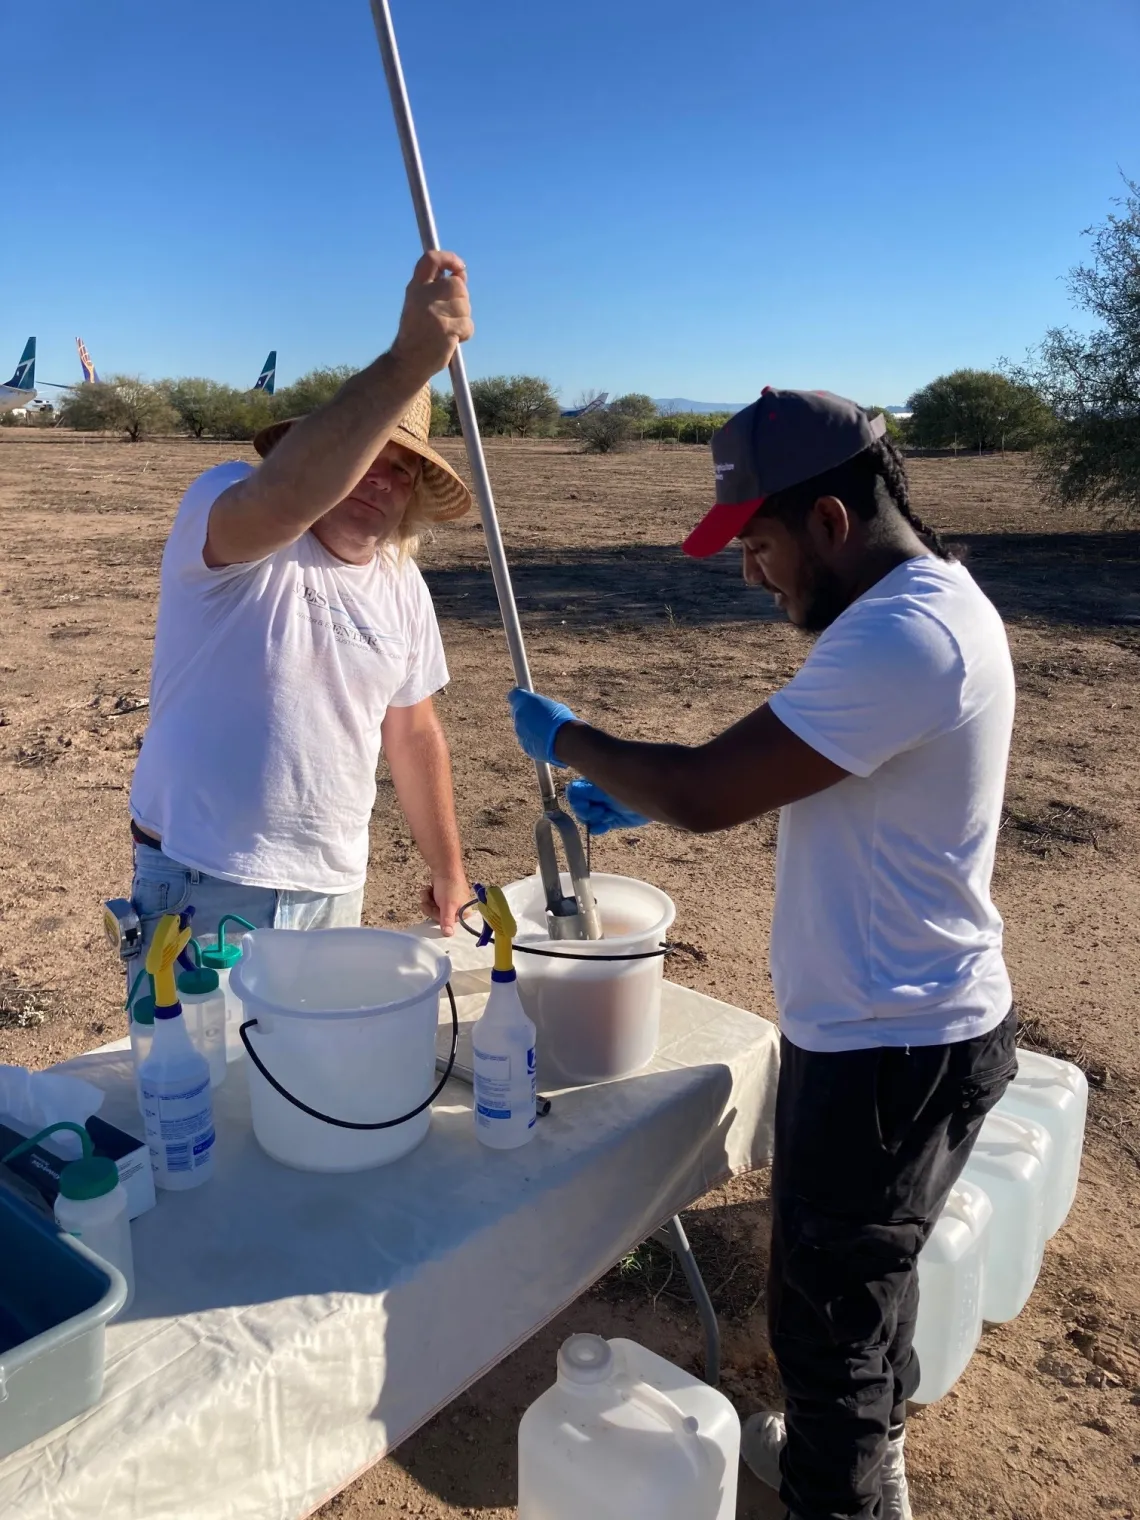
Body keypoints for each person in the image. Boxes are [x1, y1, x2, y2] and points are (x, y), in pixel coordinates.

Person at [507, 389, 1018, 1520]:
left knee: (827, 1323)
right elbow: (801, 769)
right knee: (853, 1295)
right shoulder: (928, 603)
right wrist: (645, 795)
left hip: (891, 1048)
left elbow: (703, 790)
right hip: (911, 1027)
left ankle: (846, 1489)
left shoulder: (906, 632)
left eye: (761, 544)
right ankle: (857, 1450)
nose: (752, 574)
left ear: (830, 521)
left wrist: (572, 737)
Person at [126, 251, 474, 972]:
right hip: (204, 879)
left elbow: (412, 732)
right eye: (368, 455)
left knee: (304, 1082)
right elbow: (283, 500)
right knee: (199, 1083)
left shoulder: (400, 583)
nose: (382, 479)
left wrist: (449, 867)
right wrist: (410, 361)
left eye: (401, 470)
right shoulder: (231, 513)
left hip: (331, 889)